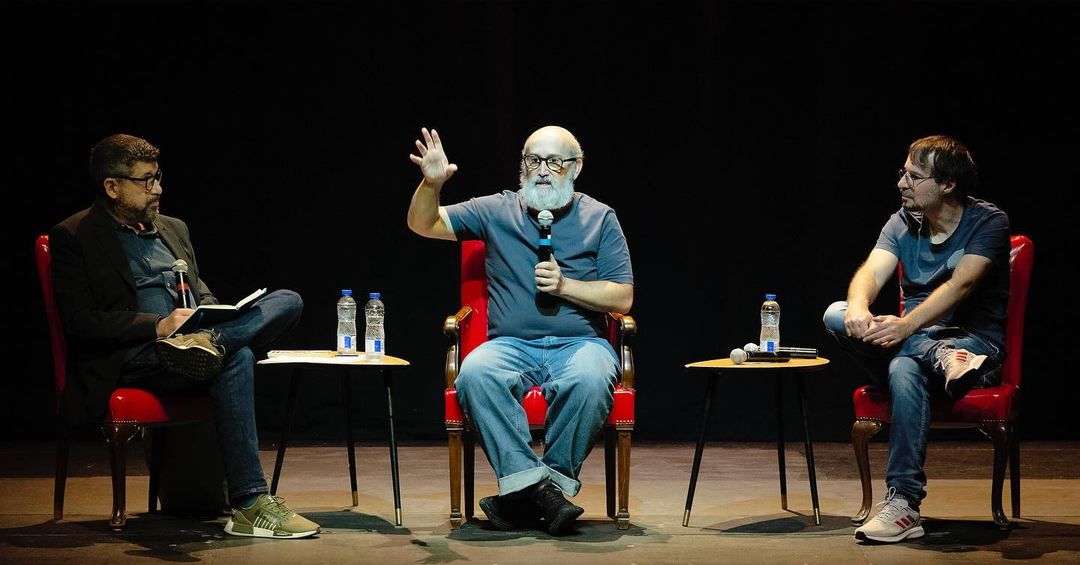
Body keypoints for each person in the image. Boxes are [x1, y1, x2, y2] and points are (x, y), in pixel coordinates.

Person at [50, 133, 320, 539]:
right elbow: (81, 322)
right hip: (138, 355)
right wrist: (156, 326)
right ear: (112, 186)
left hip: (194, 344)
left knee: (289, 300)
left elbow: (201, 290)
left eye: (158, 177)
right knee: (241, 357)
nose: (158, 188)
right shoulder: (76, 236)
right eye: (147, 181)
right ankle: (250, 504)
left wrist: (215, 313)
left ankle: (212, 341)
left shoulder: (173, 229)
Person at [407, 126, 633, 535]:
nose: (543, 171)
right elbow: (423, 224)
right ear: (522, 166)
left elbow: (622, 298)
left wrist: (566, 286)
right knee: (475, 372)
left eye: (555, 162)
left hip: (580, 343)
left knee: (592, 375)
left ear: (576, 167)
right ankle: (546, 495)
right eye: (534, 160)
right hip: (510, 345)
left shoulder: (600, 217)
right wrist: (430, 184)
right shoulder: (496, 209)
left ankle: (524, 494)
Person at [823, 135, 1010, 543]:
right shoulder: (901, 222)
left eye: (914, 176)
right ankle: (938, 356)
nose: (902, 183)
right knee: (834, 313)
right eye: (903, 173)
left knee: (904, 366)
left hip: (974, 347)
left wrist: (907, 328)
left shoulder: (988, 222)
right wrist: (858, 305)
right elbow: (871, 273)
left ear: (947, 185)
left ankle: (904, 504)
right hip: (928, 345)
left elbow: (962, 286)